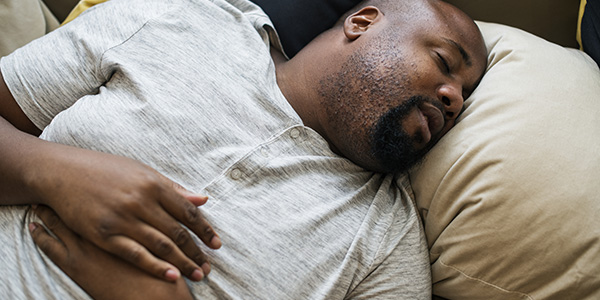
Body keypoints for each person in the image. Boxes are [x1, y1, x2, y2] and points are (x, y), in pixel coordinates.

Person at [0, 0, 487, 298]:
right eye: (444, 61)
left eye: (461, 101)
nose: (452, 99)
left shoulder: (386, 246)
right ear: (362, 22)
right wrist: (50, 169)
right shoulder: (177, 22)